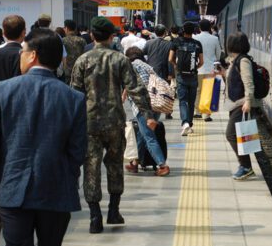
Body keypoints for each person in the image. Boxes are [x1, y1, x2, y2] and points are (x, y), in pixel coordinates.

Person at [0, 28, 87, 246]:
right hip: (56, 190)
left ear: (33, 55)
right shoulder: (74, 98)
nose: (20, 55)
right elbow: (78, 151)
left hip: (12, 188)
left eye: (22, 51)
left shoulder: (3, 90)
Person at [70, 17, 156, 234]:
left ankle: (94, 216)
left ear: (91, 36)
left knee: (91, 167)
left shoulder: (82, 60)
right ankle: (114, 211)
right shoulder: (120, 60)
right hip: (115, 122)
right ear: (111, 37)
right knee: (115, 165)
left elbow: (74, 94)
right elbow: (136, 88)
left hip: (89, 123)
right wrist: (147, 114)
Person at [224, 32, 267, 180]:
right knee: (238, 135)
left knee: (231, 134)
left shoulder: (243, 61)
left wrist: (248, 101)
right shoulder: (234, 60)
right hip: (236, 103)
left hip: (242, 103)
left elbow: (248, 82)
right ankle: (244, 165)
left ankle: (246, 166)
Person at [124, 46, 170, 176]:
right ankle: (135, 163)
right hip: (156, 105)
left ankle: (162, 165)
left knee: (149, 136)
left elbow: (139, 87)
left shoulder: (132, 66)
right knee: (141, 134)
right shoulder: (148, 66)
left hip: (143, 107)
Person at [169, 21, 203, 136]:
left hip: (181, 76)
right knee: (191, 101)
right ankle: (190, 123)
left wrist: (175, 66)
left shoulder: (176, 42)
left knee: (183, 101)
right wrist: (195, 68)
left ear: (183, 31)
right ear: (193, 31)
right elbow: (201, 62)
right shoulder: (198, 44)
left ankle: (185, 123)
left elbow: (170, 58)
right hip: (193, 76)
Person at [194, 19, 222, 121]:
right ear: (210, 27)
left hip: (198, 68)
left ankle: (197, 112)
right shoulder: (214, 39)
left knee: (198, 91)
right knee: (208, 91)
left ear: (199, 28)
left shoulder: (195, 37)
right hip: (210, 69)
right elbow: (218, 54)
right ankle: (206, 115)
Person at [62, 20, 86, 84]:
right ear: (75, 28)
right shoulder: (82, 40)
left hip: (67, 72)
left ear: (66, 28)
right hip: (80, 70)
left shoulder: (63, 41)